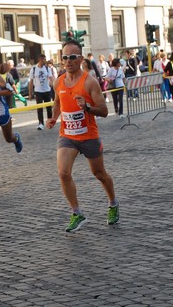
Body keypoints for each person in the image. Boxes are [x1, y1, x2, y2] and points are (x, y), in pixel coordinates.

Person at [46, 41, 119, 232]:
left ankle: (113, 203)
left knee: (99, 174)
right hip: (67, 135)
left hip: (88, 135)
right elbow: (57, 103)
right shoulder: (59, 81)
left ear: (80, 58)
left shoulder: (89, 82)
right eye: (64, 57)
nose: (67, 61)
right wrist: (54, 118)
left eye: (72, 57)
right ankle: (77, 213)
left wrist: (87, 107)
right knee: (63, 173)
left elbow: (103, 110)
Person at [28, 53, 53, 130]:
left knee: (49, 107)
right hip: (38, 91)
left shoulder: (47, 68)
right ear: (39, 60)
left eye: (45, 59)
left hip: (47, 90)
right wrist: (30, 93)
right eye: (43, 59)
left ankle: (50, 121)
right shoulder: (34, 69)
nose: (44, 61)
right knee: (39, 108)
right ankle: (41, 123)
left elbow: (51, 78)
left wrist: (52, 85)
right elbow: (31, 81)